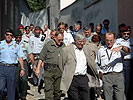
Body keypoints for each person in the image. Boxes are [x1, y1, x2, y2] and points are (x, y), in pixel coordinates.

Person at [59, 32, 98, 100]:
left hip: (83, 78)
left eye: (83, 41)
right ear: (75, 40)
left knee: (86, 97)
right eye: (80, 41)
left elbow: (90, 63)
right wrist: (67, 74)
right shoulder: (66, 50)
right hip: (72, 79)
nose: (82, 43)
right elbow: (61, 65)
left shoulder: (86, 49)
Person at [95, 31, 130, 100]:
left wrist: (122, 47)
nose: (109, 42)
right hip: (106, 76)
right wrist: (100, 72)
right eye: (107, 40)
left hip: (118, 76)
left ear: (114, 40)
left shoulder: (119, 48)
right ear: (105, 40)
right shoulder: (101, 50)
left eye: (111, 40)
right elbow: (97, 63)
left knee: (120, 98)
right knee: (108, 98)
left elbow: (128, 51)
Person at [36, 31, 65, 100]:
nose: (60, 42)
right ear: (55, 38)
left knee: (58, 91)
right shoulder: (48, 45)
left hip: (59, 70)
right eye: (59, 40)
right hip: (49, 70)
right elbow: (41, 57)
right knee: (49, 89)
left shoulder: (63, 45)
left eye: (62, 40)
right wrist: (38, 69)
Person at [0, 29, 25, 100]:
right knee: (1, 88)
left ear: (12, 37)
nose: (8, 36)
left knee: (11, 89)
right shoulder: (1, 44)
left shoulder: (16, 45)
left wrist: (22, 69)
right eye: (7, 35)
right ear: (5, 35)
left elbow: (20, 57)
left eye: (10, 35)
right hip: (2, 67)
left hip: (12, 68)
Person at [14, 29, 36, 100]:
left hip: (24, 63)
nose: (18, 39)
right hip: (15, 64)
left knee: (24, 79)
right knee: (16, 80)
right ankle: (17, 94)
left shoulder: (25, 44)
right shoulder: (12, 44)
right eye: (17, 37)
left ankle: (23, 95)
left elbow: (30, 54)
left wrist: (34, 64)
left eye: (19, 37)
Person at [115, 26, 131, 98]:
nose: (126, 35)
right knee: (123, 82)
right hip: (122, 62)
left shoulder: (132, 41)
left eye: (128, 33)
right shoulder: (118, 41)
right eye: (125, 33)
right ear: (121, 33)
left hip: (131, 62)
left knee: (129, 82)